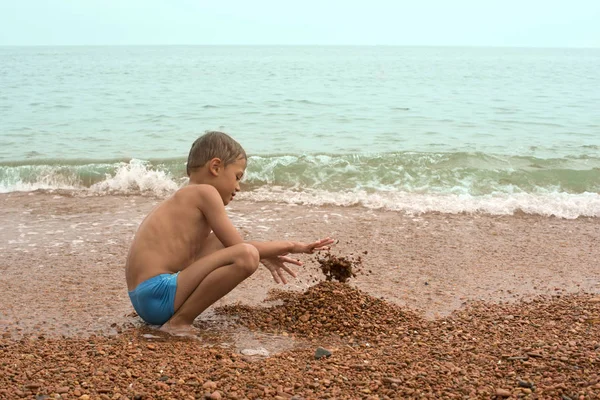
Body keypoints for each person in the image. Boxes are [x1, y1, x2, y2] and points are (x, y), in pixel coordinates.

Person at [125, 131, 334, 335]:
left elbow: (230, 245)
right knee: (247, 256)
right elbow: (240, 250)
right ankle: (179, 322)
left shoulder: (186, 197)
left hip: (146, 299)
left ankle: (175, 318)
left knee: (221, 243)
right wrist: (293, 246)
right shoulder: (206, 193)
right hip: (159, 295)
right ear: (215, 167)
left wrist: (265, 254)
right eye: (237, 177)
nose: (238, 187)